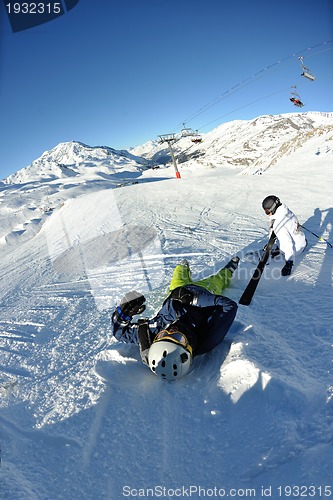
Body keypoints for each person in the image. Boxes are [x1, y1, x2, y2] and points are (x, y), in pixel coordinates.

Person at [111, 257, 239, 381]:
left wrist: (122, 314)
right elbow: (229, 306)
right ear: (188, 348)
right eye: (178, 338)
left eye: (163, 335)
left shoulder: (154, 331)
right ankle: (230, 268)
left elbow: (119, 332)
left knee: (179, 272)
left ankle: (183, 266)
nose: (171, 330)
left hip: (177, 291)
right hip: (205, 289)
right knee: (219, 279)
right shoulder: (206, 339)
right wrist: (194, 299)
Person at [262, 195, 307, 276]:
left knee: (282, 239)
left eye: (267, 212)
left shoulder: (279, 223)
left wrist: (289, 263)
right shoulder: (286, 211)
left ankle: (279, 250)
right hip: (302, 242)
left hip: (294, 250)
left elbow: (288, 244)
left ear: (273, 208)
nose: (267, 214)